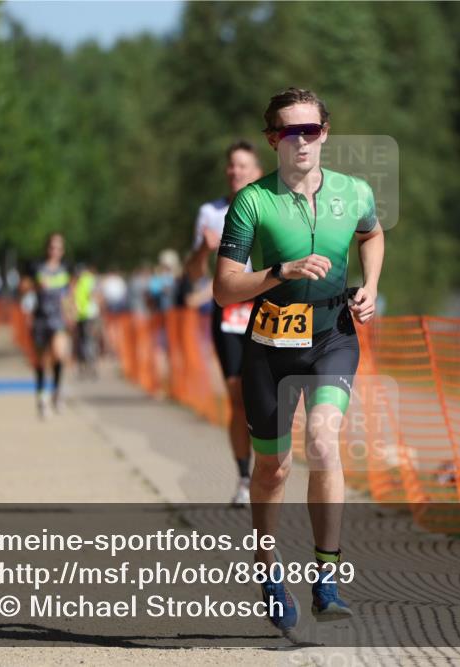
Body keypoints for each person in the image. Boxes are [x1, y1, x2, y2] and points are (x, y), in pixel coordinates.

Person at [214, 87, 384, 630]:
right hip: (268, 345)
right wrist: (279, 273)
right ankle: (267, 570)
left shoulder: (354, 191)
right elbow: (223, 289)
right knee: (274, 466)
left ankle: (327, 579)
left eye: (311, 130)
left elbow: (372, 234)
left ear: (325, 133)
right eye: (291, 131)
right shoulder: (253, 202)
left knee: (322, 441)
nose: (303, 140)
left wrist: (372, 285)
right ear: (274, 139)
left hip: (333, 335)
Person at [184, 140, 263, 508]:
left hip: (268, 307)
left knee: (266, 394)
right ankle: (245, 478)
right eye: (232, 166)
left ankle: (271, 468)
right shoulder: (210, 213)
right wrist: (203, 249)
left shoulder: (272, 205)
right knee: (236, 395)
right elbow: (192, 275)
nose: (236, 172)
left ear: (258, 172)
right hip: (229, 310)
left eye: (244, 166)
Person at [31, 233, 73, 419]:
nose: (55, 251)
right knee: (42, 360)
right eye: (52, 247)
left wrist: (71, 312)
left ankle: (57, 391)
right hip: (40, 318)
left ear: (62, 251)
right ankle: (41, 397)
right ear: (47, 249)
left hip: (58, 319)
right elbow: (26, 288)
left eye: (58, 248)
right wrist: (36, 286)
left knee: (58, 353)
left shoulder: (65, 270)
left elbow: (68, 294)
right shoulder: (38, 268)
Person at [73, 263, 101, 379]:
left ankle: (91, 366)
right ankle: (87, 366)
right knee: (84, 342)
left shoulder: (87, 281)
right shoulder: (81, 282)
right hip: (82, 315)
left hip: (89, 315)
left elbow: (94, 295)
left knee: (88, 341)